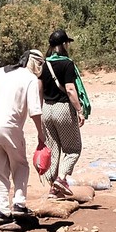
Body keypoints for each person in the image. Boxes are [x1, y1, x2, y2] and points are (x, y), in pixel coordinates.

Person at [0, 49, 46, 223]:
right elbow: (35, 111)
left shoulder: (1, 72)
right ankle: (19, 204)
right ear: (35, 63)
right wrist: (41, 134)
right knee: (20, 165)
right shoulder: (30, 79)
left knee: (0, 171)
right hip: (10, 127)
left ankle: (2, 210)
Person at [40, 28, 85, 197]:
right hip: (63, 109)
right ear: (64, 44)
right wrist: (79, 110)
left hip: (46, 109)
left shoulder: (43, 64)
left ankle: (53, 189)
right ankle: (61, 179)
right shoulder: (67, 64)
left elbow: (39, 89)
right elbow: (70, 89)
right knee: (73, 149)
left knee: (53, 150)